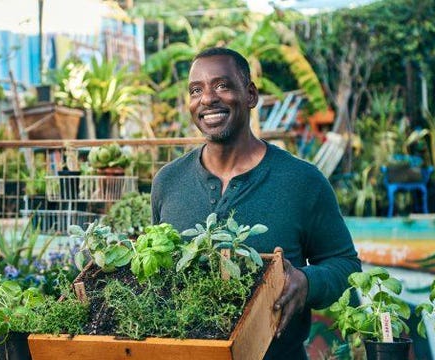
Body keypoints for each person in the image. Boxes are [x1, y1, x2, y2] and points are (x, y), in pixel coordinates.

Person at [150, 47, 361, 359]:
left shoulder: (302, 181)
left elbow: (346, 268)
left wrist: (305, 281)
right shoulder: (168, 182)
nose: (207, 99)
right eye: (196, 90)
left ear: (250, 95)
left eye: (222, 85)